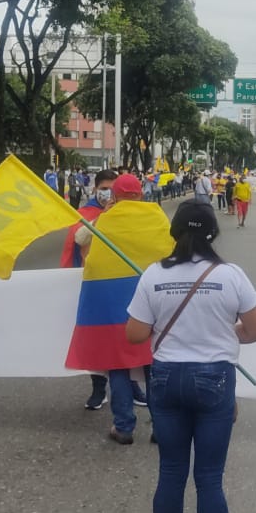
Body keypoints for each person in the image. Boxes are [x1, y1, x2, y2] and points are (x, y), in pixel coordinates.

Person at [126, 201, 256, 513]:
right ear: (213, 234)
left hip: (165, 377)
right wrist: (226, 333)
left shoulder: (153, 274)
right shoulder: (231, 275)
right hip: (214, 378)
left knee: (171, 472)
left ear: (174, 233)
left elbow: (134, 333)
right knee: (209, 478)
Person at [65, 174, 174, 444]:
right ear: (141, 193)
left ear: (115, 195)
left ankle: (124, 427)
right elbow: (171, 247)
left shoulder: (105, 218)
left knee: (117, 364)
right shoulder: (157, 216)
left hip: (112, 300)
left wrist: (104, 214)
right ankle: (161, 427)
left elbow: (80, 237)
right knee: (153, 363)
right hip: (150, 297)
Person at [60, 170, 127, 411]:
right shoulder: (84, 214)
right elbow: (76, 242)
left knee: (123, 335)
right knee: (96, 338)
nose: (108, 193)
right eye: (104, 188)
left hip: (118, 282)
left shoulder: (126, 213)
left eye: (112, 189)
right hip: (93, 282)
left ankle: (132, 386)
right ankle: (99, 388)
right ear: (95, 189)